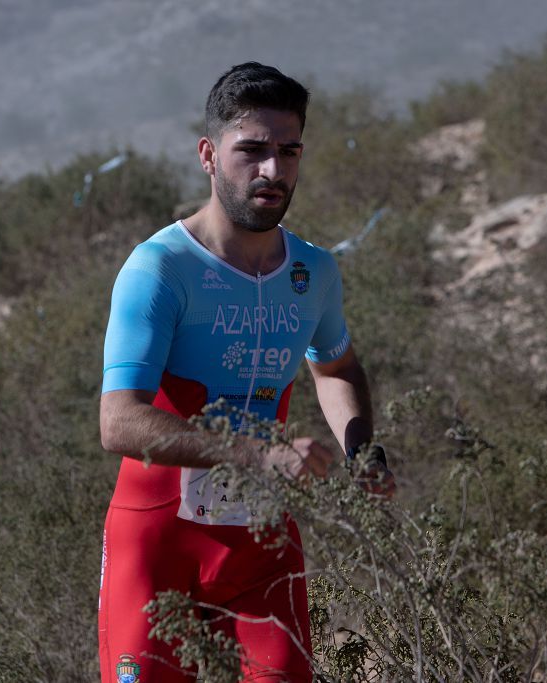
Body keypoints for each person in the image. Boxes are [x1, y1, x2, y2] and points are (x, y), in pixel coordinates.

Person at [97, 62, 395, 683]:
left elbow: (336, 366)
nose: (272, 170)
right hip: (156, 545)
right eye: (252, 150)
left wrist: (362, 449)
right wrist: (260, 455)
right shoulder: (160, 268)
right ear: (208, 154)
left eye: (289, 152)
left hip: (261, 542)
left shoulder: (313, 271)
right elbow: (118, 422)